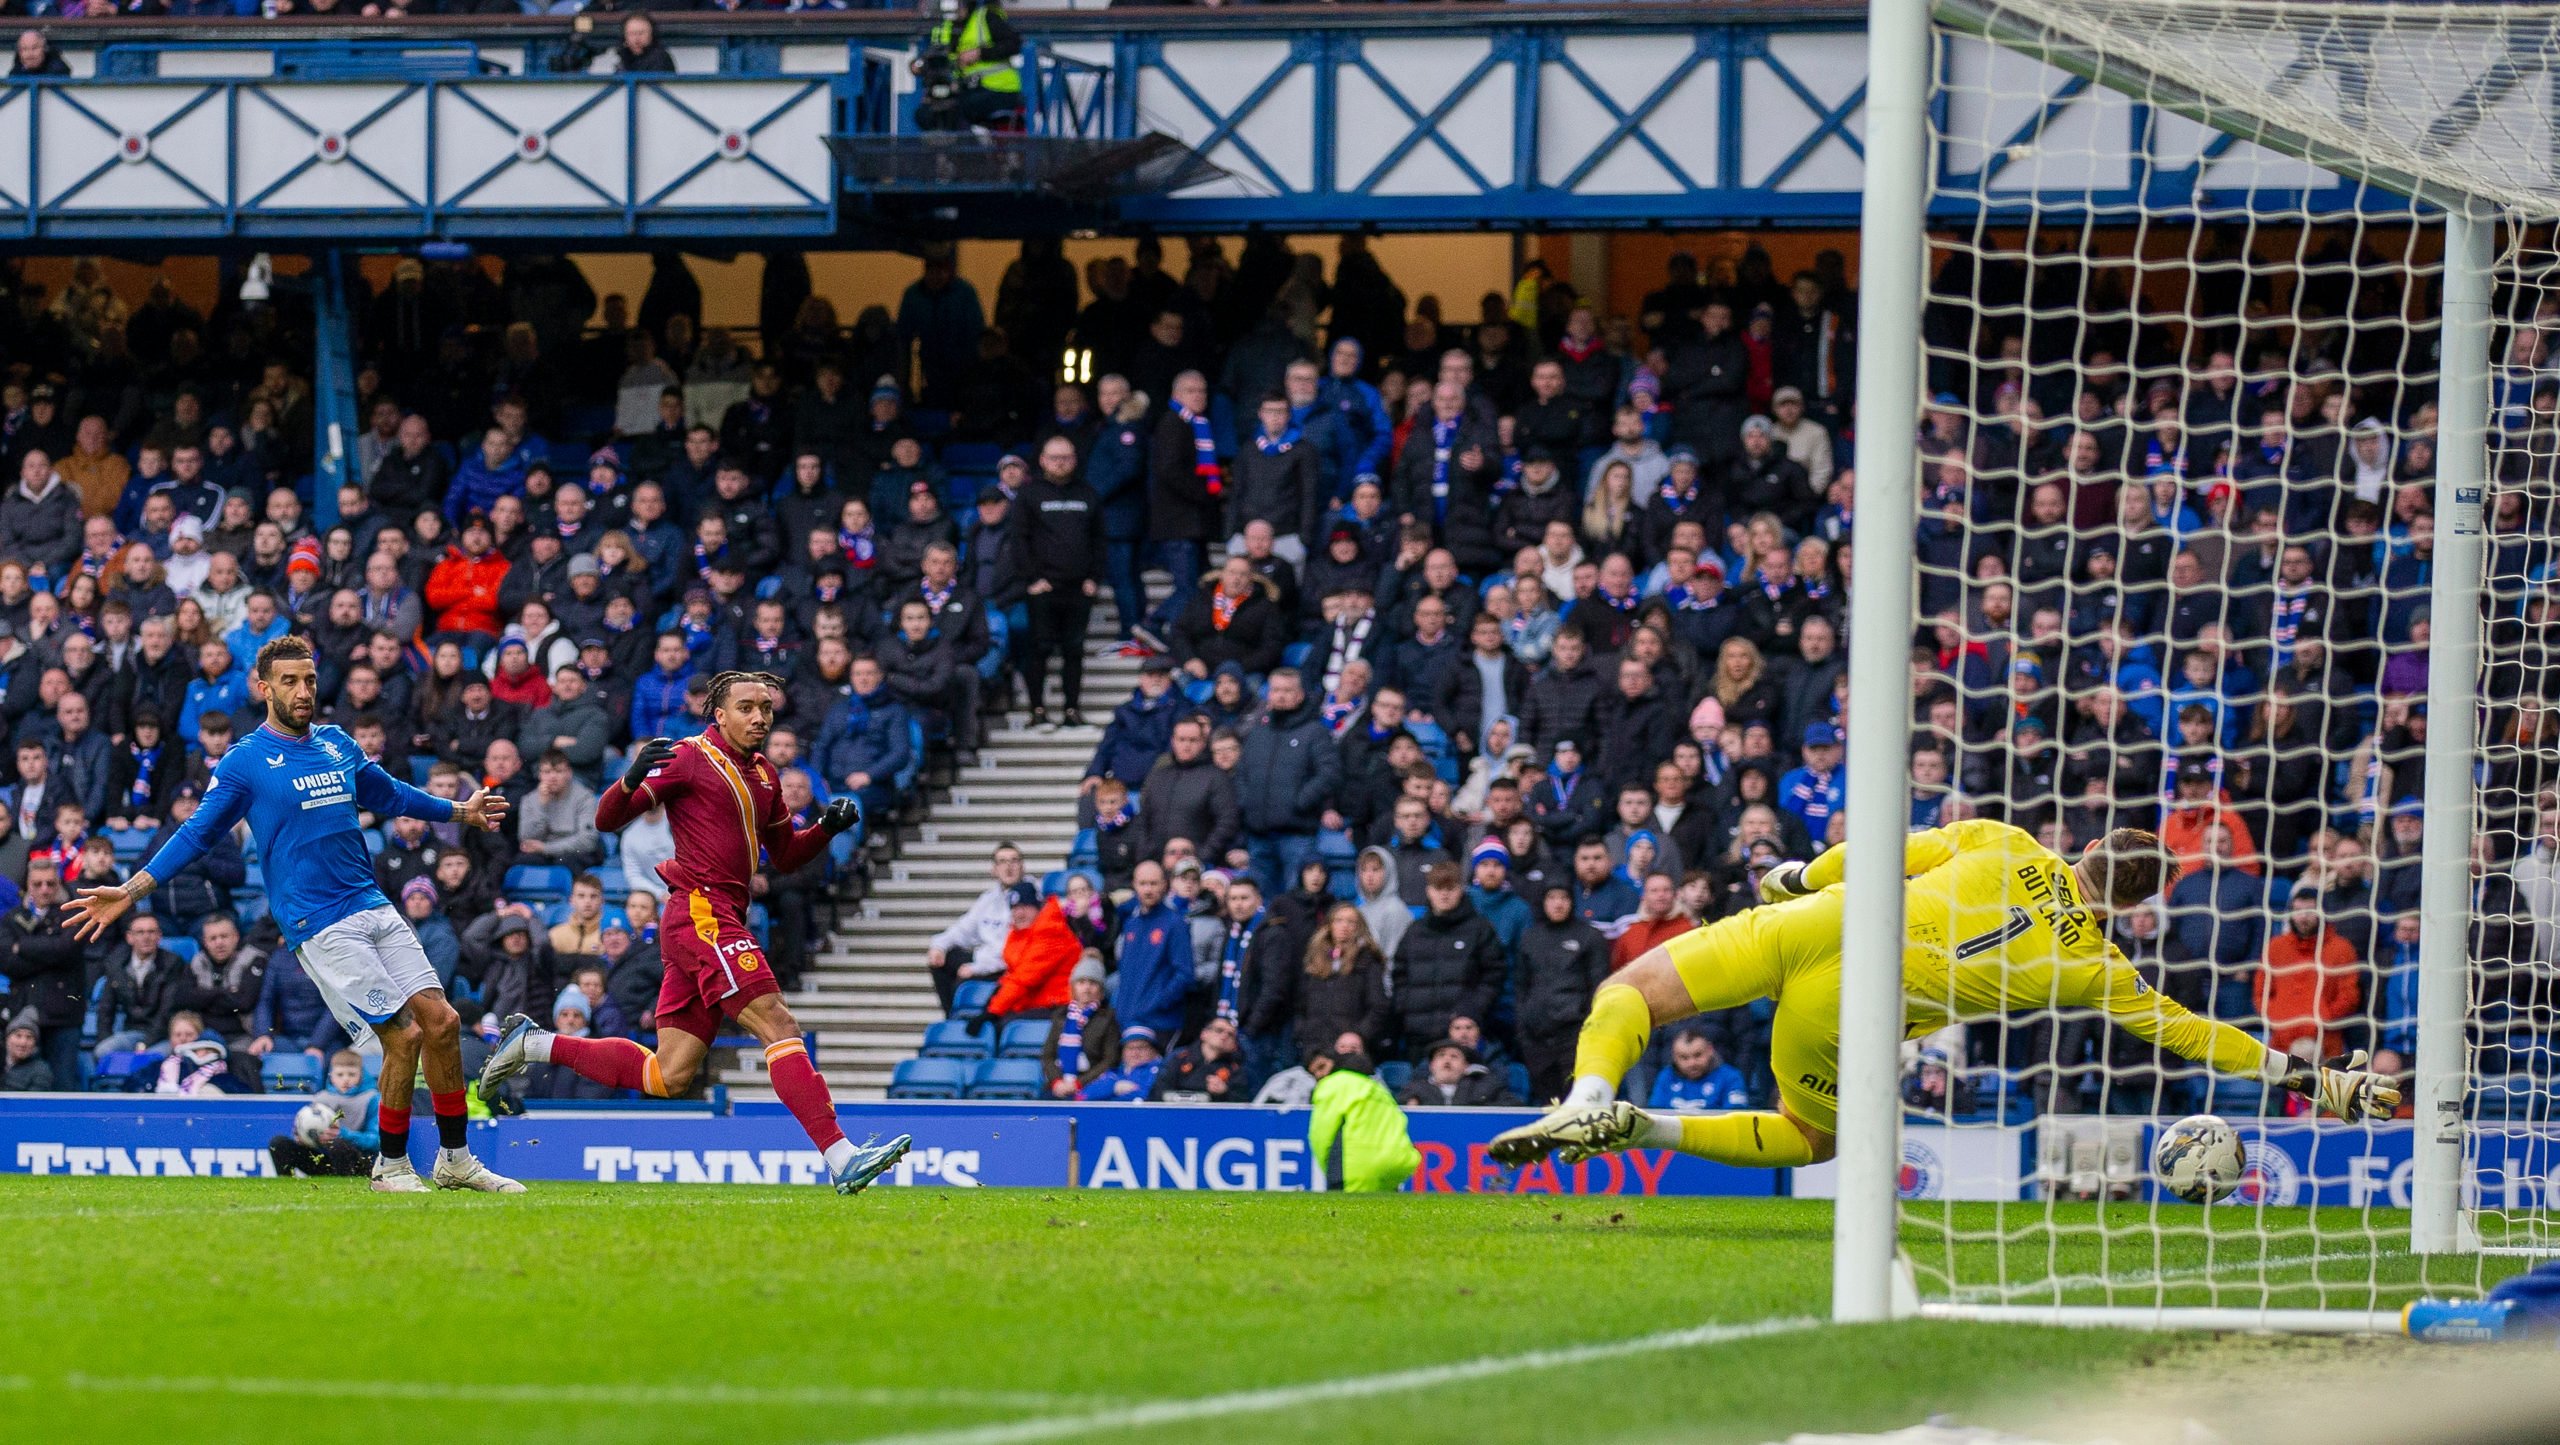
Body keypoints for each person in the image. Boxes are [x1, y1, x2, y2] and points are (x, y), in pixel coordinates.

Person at [1489, 821, 2404, 1172]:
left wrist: (1799, 873)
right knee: (1814, 1140)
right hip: (1855, 1002)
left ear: (2082, 843)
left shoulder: (2006, 840)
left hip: (1824, 919)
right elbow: (2197, 1035)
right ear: (2137, 900)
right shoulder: (2100, 967)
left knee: (1629, 991)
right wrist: (2313, 1079)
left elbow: (1888, 846)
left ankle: (1590, 1096)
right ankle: (1639, 1128)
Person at [70, 636, 521, 1194]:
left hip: (372, 903)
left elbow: (389, 794)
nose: (303, 691)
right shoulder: (244, 763)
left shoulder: (336, 742)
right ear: (263, 687)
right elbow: (196, 834)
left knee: (444, 1024)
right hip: (319, 923)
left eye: (309, 679)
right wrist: (131, 890)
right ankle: (392, 1167)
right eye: (289, 681)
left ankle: (455, 1160)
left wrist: (457, 809)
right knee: (402, 1037)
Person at [478, 670, 903, 1196]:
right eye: (747, 707)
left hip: (706, 919)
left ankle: (535, 1044)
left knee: (668, 1075)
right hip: (703, 912)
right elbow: (610, 820)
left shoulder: (765, 773)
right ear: (719, 714)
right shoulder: (688, 756)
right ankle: (841, 1156)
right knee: (778, 1023)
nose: (760, 717)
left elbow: (787, 856)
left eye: (766, 708)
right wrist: (631, 777)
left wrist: (826, 829)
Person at [1306, 1044, 1420, 1193]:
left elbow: (1322, 1133)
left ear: (1334, 1061)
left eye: (1321, 1066)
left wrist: (1330, 1169)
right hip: (1395, 1162)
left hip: (1357, 1164)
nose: (1319, 1075)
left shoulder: (1332, 1084)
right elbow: (1398, 1122)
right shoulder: (1376, 1087)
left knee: (1346, 1214)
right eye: (1314, 1072)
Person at [267, 1049, 382, 1178]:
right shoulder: (321, 1098)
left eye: (351, 1074)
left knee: (338, 1145)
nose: (346, 1080)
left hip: (358, 1161)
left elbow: (377, 1141)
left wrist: (343, 1134)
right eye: (340, 1074)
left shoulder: (372, 1099)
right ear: (331, 1075)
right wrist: (303, 1137)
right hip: (323, 1160)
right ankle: (285, 1183)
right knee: (279, 1143)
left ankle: (347, 1186)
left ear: (361, 1075)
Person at [1646, 1029, 1751, 1111]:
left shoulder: (1731, 1077)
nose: (1692, 1063)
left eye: (1698, 1055)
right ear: (1674, 1056)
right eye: (1684, 1057)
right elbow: (1656, 1113)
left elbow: (1736, 1114)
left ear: (1710, 1050)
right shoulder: (1666, 1076)